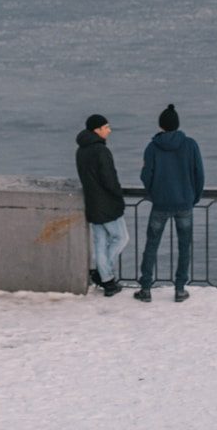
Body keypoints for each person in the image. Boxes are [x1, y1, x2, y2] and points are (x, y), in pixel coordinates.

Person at [133, 103, 204, 304]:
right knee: (184, 247)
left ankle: (146, 288)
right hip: (184, 203)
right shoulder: (190, 145)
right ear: (177, 124)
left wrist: (154, 194)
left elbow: (146, 175)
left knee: (151, 245)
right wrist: (194, 197)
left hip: (161, 204)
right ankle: (180, 288)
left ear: (161, 126)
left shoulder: (153, 147)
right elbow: (199, 174)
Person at [75, 114, 128, 297]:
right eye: (106, 127)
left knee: (100, 241)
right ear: (96, 130)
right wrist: (118, 194)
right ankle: (103, 274)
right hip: (107, 203)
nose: (109, 130)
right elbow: (109, 179)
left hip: (92, 202)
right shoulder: (101, 151)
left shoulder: (81, 150)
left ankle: (107, 281)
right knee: (121, 238)